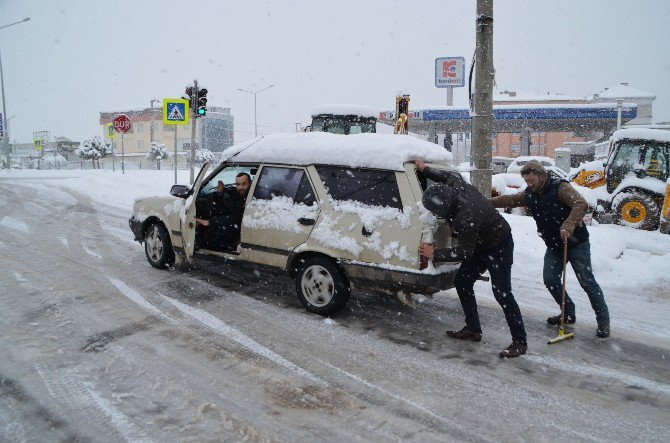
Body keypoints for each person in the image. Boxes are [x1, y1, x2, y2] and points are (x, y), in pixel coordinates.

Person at [414, 160, 528, 358]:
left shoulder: (465, 218)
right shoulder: (456, 187)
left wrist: (436, 254)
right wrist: (426, 170)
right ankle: (473, 328)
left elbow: (466, 253)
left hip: (499, 244)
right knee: (462, 281)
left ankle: (520, 342)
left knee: (502, 293)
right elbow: (448, 176)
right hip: (480, 241)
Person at [490, 160, 610, 338]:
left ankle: (603, 322)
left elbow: (580, 203)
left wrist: (568, 225)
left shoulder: (559, 187)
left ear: (542, 176)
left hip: (576, 243)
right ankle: (568, 312)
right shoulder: (530, 193)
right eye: (527, 181)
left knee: (587, 282)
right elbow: (510, 199)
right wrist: (486, 202)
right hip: (555, 246)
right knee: (550, 279)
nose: (529, 184)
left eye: (532, 180)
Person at [196, 172, 251, 251]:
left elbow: (236, 218)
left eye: (244, 184)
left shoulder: (250, 197)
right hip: (239, 224)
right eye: (238, 184)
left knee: (221, 231)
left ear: (250, 184)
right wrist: (221, 192)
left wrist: (210, 222)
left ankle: (215, 257)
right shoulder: (239, 192)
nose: (240, 187)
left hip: (242, 227)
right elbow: (231, 191)